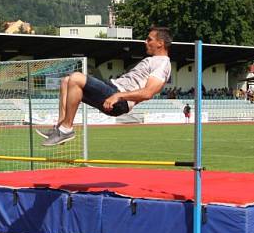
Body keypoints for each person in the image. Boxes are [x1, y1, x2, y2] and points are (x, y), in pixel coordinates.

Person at [39, 27, 172, 146]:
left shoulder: (162, 64)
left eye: (149, 39)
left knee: (76, 78)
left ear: (160, 43)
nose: (145, 42)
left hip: (120, 99)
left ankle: (66, 129)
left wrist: (118, 95)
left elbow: (147, 93)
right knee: (66, 81)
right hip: (113, 88)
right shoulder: (153, 60)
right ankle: (61, 128)